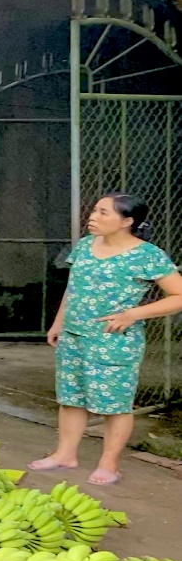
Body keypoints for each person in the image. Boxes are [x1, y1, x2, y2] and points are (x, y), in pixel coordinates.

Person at [31, 193, 182, 485]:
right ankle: (65, 454)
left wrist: (133, 314)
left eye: (103, 213)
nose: (93, 217)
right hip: (74, 336)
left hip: (113, 339)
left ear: (127, 222)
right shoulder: (86, 246)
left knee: (115, 404)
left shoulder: (147, 255)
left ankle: (109, 464)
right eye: (94, 211)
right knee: (71, 397)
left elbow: (178, 296)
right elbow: (74, 288)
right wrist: (59, 322)